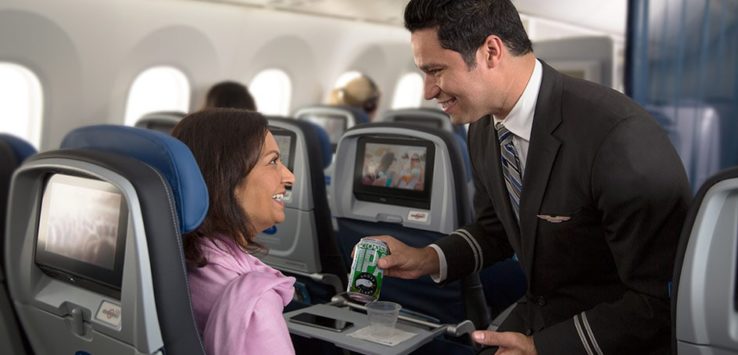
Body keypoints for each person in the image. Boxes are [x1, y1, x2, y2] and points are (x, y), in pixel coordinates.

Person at [369, 0, 692, 354]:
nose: (428, 91)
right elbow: (495, 231)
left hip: (607, 336)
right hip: (541, 311)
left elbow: (657, 300)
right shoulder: (484, 126)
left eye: (436, 71)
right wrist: (426, 258)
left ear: (491, 51)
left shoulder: (617, 138)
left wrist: (543, 348)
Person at [172, 108, 296, 355]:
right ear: (227, 179)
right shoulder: (255, 307)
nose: (290, 177)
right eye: (273, 161)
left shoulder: (173, 254)